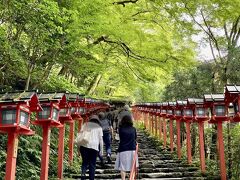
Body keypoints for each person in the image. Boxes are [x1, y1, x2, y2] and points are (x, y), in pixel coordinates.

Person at [78, 115, 103, 180]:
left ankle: (83, 174)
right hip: (94, 147)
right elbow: (101, 140)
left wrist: (78, 148)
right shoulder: (99, 128)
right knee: (92, 164)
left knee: (85, 162)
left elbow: (80, 137)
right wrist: (101, 150)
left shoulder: (85, 125)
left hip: (84, 146)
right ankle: (91, 178)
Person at [114, 115, 138, 180]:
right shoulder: (133, 129)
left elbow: (117, 138)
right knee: (132, 167)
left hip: (123, 149)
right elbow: (135, 138)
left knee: (122, 167)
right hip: (132, 149)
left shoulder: (120, 129)